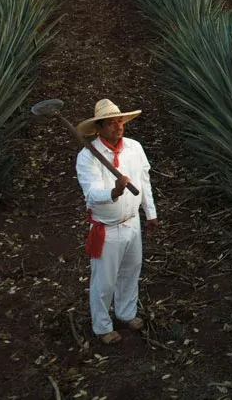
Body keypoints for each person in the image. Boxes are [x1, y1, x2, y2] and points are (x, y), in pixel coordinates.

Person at [74, 98, 158, 345]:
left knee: (131, 271)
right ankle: (102, 326)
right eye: (110, 124)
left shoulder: (134, 148)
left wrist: (150, 213)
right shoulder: (88, 156)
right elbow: (91, 194)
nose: (117, 127)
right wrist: (114, 192)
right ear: (98, 128)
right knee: (104, 280)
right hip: (107, 229)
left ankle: (126, 313)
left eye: (119, 121)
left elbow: (144, 182)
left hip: (132, 223)